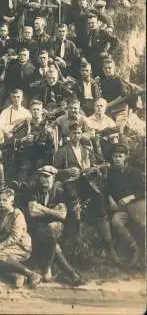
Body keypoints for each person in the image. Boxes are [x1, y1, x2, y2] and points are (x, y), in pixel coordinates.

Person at [54, 122, 118, 262]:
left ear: (81, 133)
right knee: (73, 202)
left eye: (78, 133)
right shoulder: (62, 151)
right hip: (71, 183)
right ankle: (75, 243)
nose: (76, 136)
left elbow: (95, 166)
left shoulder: (87, 150)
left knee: (100, 198)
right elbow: (54, 170)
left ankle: (108, 245)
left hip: (87, 182)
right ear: (69, 135)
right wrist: (66, 171)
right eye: (73, 133)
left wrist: (95, 168)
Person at [27, 166, 84, 285]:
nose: (44, 179)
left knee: (51, 229)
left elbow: (62, 215)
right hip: (38, 226)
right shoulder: (35, 191)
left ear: (54, 178)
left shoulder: (59, 192)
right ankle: (70, 274)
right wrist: (53, 212)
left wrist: (42, 209)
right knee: (53, 242)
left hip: (55, 225)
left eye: (47, 176)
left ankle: (47, 268)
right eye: (42, 176)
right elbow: (32, 212)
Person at [0, 188, 41, 289]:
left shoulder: (17, 215)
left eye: (5, 200)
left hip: (20, 246)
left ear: (12, 202)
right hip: (6, 245)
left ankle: (31, 274)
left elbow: (15, 237)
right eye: (0, 200)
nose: (1, 202)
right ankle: (15, 275)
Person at [106, 144, 145, 266]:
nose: (117, 159)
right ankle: (135, 248)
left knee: (143, 225)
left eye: (120, 156)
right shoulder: (111, 173)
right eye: (114, 156)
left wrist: (130, 197)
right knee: (116, 221)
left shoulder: (134, 173)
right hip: (122, 209)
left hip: (137, 207)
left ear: (125, 157)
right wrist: (110, 199)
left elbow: (143, 191)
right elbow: (107, 190)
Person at [12, 100, 56, 188]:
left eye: (38, 109)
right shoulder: (26, 123)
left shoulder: (47, 124)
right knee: (25, 165)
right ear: (30, 111)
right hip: (28, 151)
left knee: (39, 166)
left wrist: (42, 136)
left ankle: (30, 185)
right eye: (34, 110)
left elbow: (52, 141)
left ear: (42, 111)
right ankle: (19, 183)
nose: (36, 112)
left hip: (43, 152)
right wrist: (23, 139)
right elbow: (13, 136)